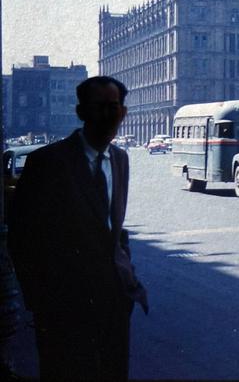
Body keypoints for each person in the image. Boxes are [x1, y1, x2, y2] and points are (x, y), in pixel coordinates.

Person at [8, 76, 148, 381]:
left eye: (115, 107)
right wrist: (40, 300)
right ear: (81, 112)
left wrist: (128, 278)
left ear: (123, 112)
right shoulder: (47, 162)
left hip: (114, 301)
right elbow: (21, 236)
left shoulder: (121, 160)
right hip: (64, 306)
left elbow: (113, 227)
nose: (109, 115)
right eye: (100, 107)